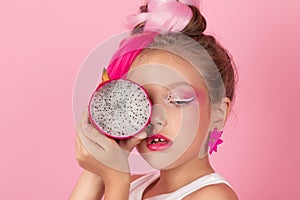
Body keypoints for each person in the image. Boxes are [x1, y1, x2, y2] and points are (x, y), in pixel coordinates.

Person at [70, 0, 239, 199]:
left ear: (217, 115)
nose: (155, 117)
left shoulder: (214, 196)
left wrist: (116, 179)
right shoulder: (132, 184)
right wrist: (99, 163)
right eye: (141, 101)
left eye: (177, 100)